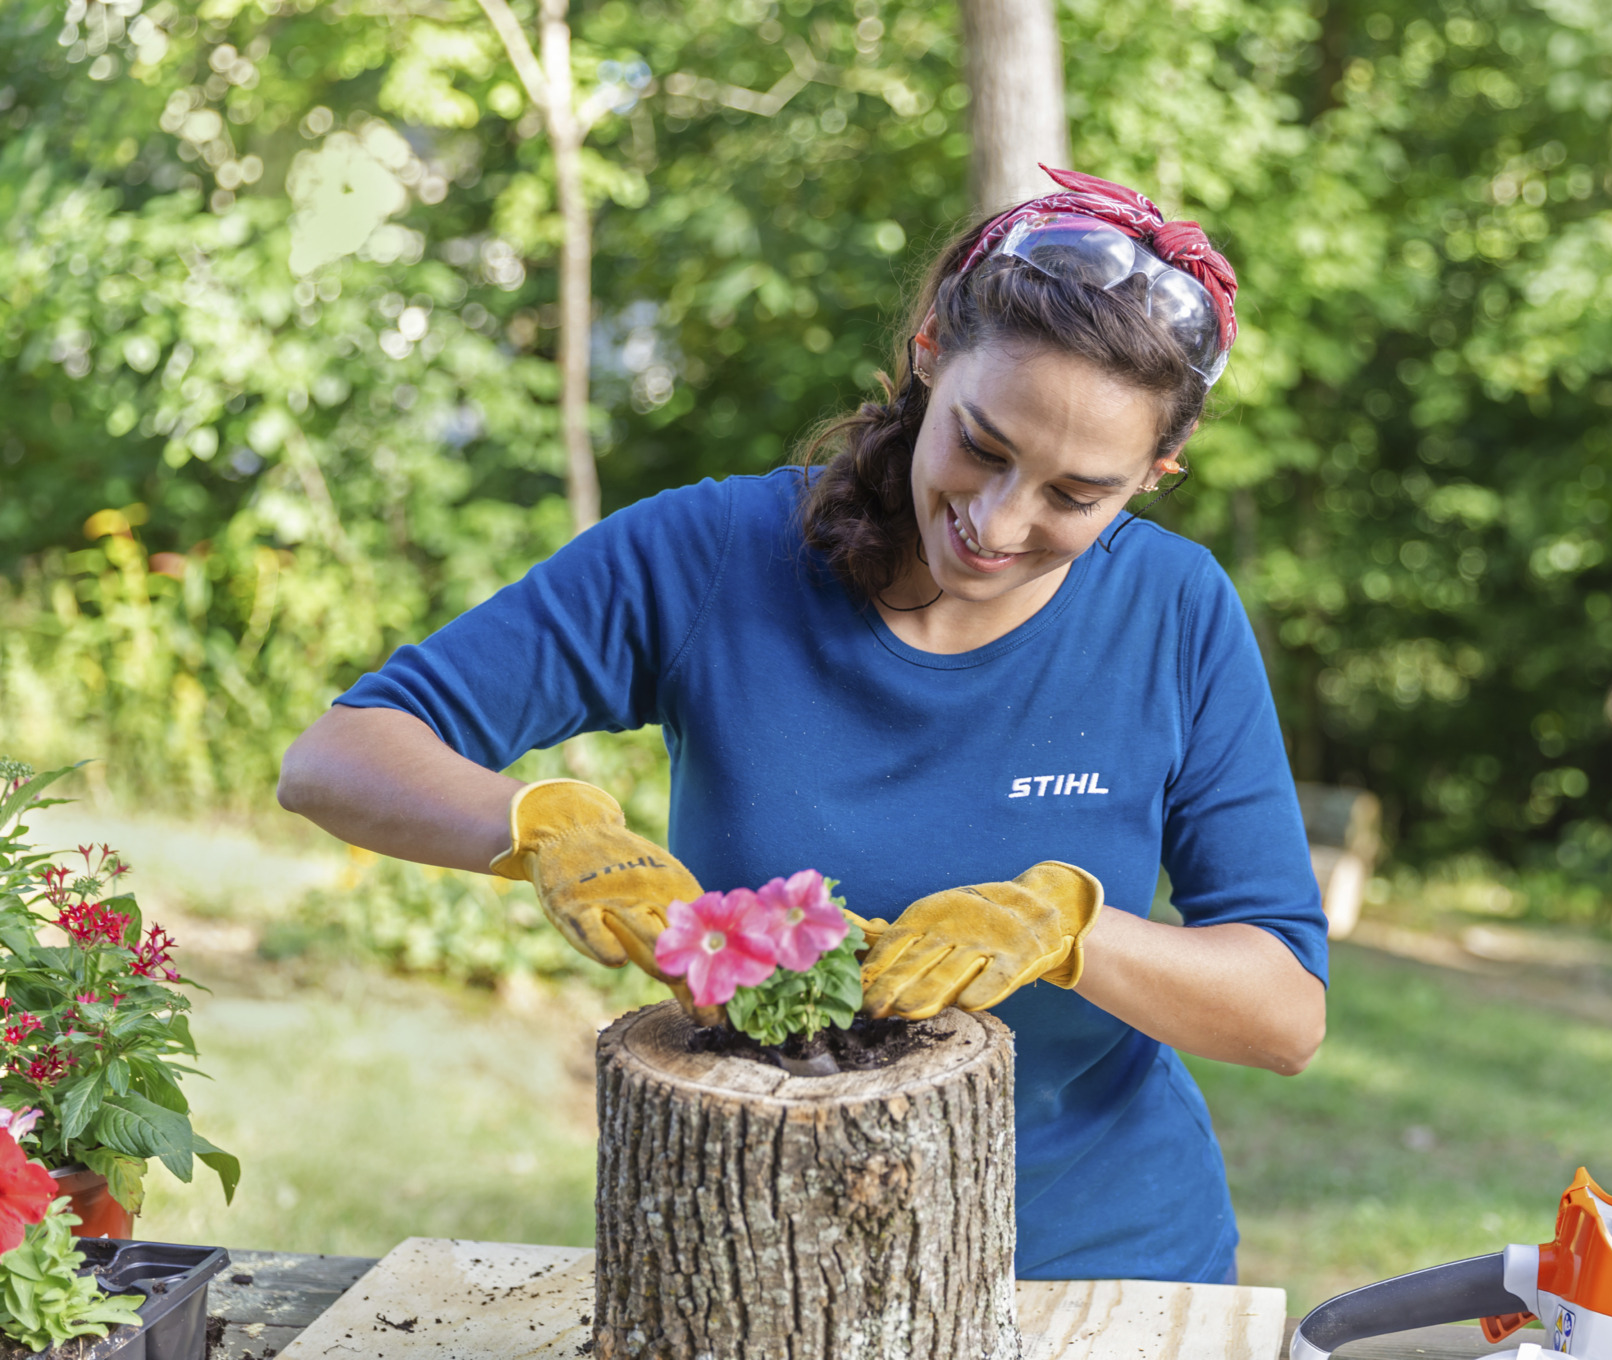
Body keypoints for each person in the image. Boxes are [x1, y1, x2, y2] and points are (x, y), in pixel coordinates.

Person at [277, 168, 1328, 1285]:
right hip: (759, 1271)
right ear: (929, 349)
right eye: (981, 444)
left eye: (1076, 495)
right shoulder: (712, 555)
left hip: (1102, 1270)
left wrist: (1069, 929)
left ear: (1154, 476)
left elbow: (1283, 1011)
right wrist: (546, 826)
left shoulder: (1174, 610)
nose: (997, 519)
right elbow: (335, 757)